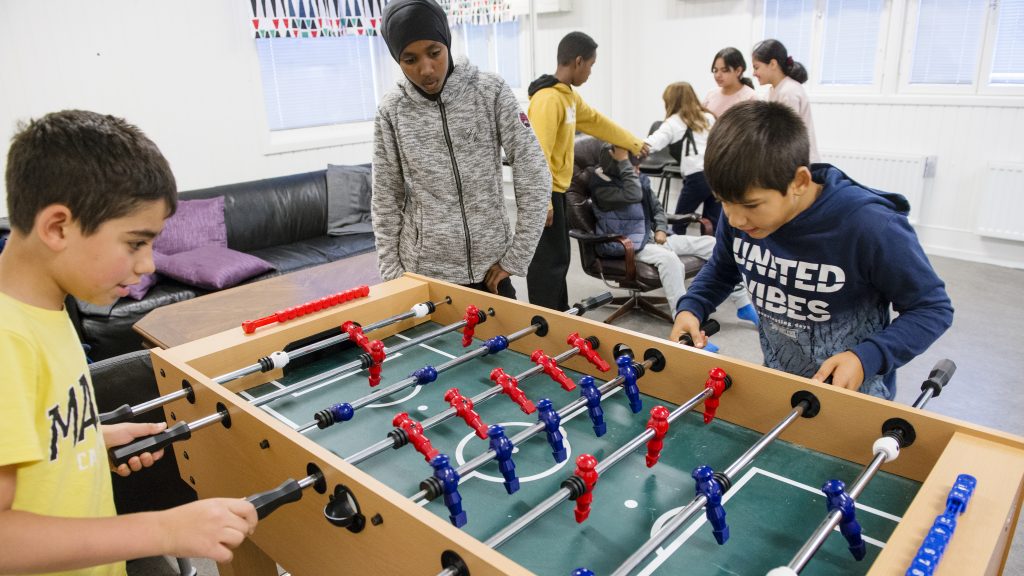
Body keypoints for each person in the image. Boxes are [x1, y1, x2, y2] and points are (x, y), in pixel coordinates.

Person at [0, 110, 258, 574]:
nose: (147, 265)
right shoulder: (6, 340)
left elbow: (30, 436)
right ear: (58, 227)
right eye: (136, 243)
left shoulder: (50, 306)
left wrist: (90, 440)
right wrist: (163, 530)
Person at [671, 101, 953, 400]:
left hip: (857, 395)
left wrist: (866, 357)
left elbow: (932, 308)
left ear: (800, 182)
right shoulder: (740, 219)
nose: (735, 219)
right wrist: (693, 306)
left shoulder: (870, 226)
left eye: (751, 205)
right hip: (780, 380)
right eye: (722, 201)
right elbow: (723, 268)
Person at [372, 0, 549, 298]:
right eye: (410, 59)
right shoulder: (392, 111)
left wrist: (517, 257)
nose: (426, 69)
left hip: (492, 271)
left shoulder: (490, 91)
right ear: (396, 59)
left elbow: (534, 171)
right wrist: (393, 276)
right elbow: (386, 197)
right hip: (426, 277)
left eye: (434, 53)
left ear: (447, 43)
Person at [526, 31, 650, 311]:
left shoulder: (567, 96)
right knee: (548, 262)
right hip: (545, 193)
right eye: (591, 66)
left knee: (559, 259)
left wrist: (634, 142)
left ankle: (559, 313)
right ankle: (545, 317)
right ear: (579, 61)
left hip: (558, 190)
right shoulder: (547, 99)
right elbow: (538, 153)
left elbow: (596, 122)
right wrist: (542, 200)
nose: (590, 73)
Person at [587, 143, 753, 340]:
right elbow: (633, 193)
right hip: (625, 244)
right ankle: (683, 322)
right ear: (617, 165)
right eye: (632, 166)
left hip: (649, 239)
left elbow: (657, 209)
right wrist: (625, 163)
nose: (637, 170)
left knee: (711, 244)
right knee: (670, 260)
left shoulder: (636, 178)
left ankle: (743, 305)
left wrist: (660, 229)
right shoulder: (601, 186)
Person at [644, 83, 759, 327]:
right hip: (716, 175)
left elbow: (654, 142)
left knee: (681, 222)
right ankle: (722, 290)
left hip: (696, 177)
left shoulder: (677, 120)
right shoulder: (708, 116)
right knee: (716, 228)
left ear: (672, 101)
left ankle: (695, 279)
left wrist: (634, 149)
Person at [751, 39, 820, 162]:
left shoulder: (789, 92)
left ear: (772, 64)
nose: (754, 73)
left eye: (756, 67)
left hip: (798, 160)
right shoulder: (772, 92)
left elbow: (786, 136)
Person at [703, 47, 757, 118]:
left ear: (738, 71)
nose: (718, 75)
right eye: (715, 70)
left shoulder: (750, 98)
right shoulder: (710, 95)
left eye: (724, 70)